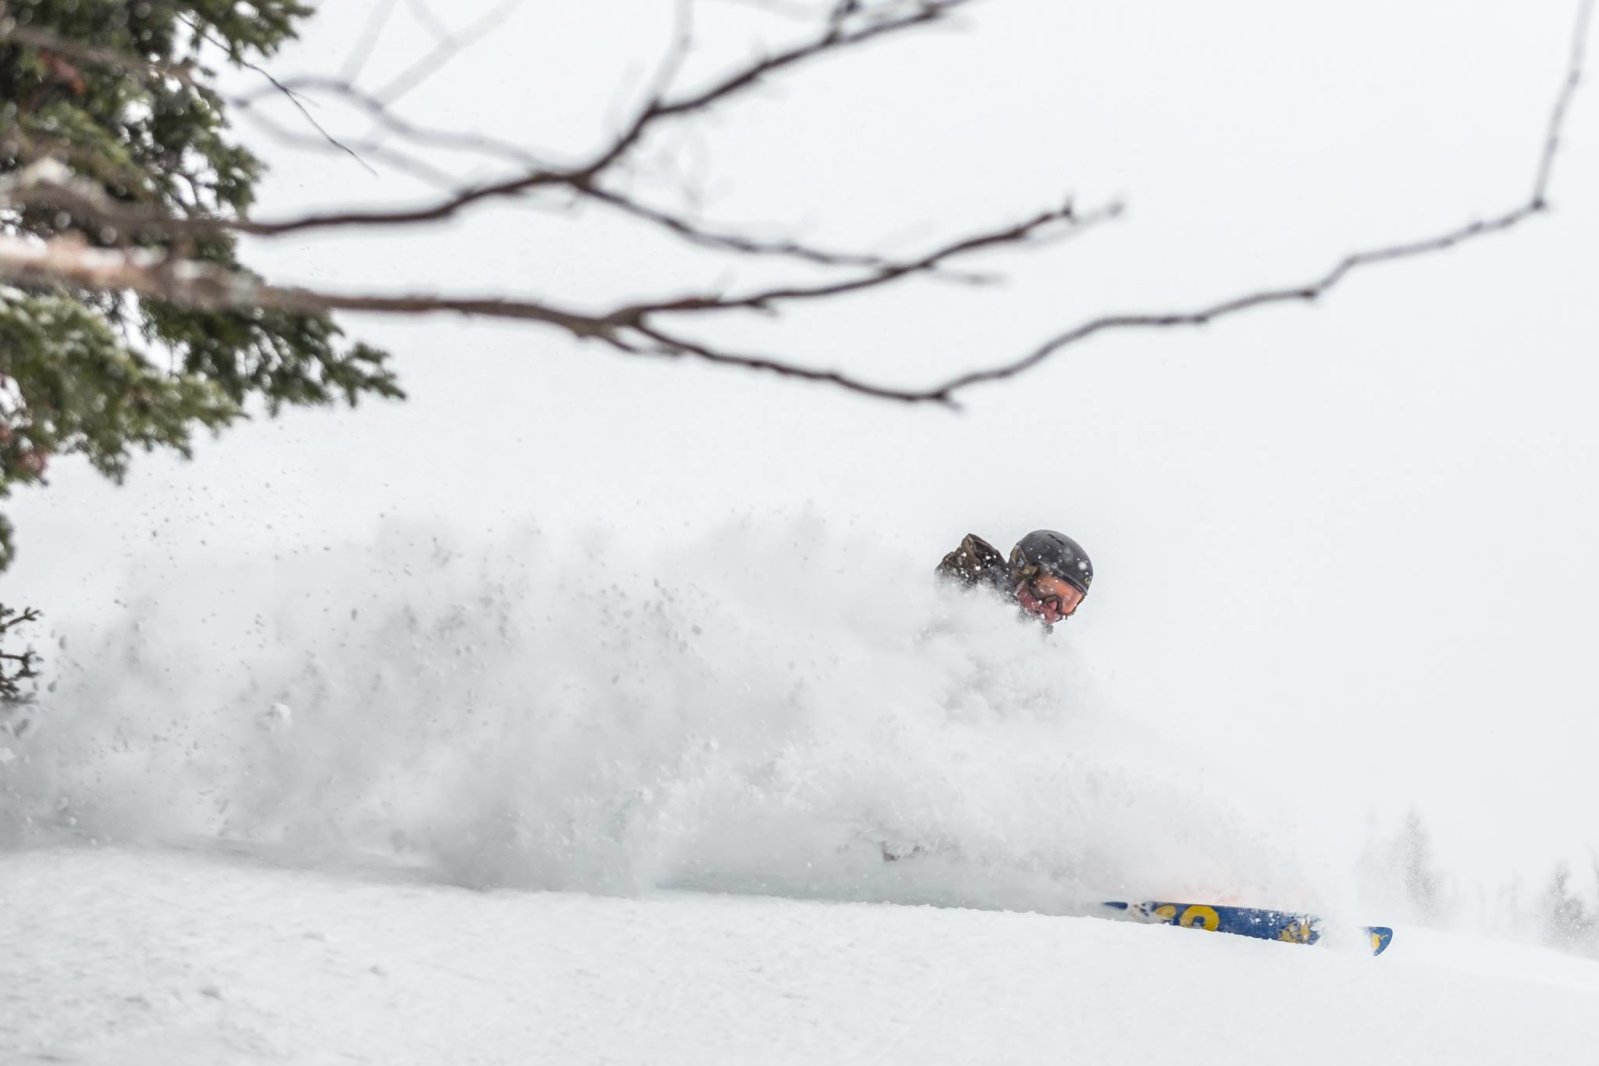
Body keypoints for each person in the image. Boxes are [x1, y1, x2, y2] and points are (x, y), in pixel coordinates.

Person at [936, 529, 1093, 627]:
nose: (1052, 607)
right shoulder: (966, 597)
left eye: (1068, 602)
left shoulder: (1037, 648)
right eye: (1047, 589)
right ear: (1021, 571)